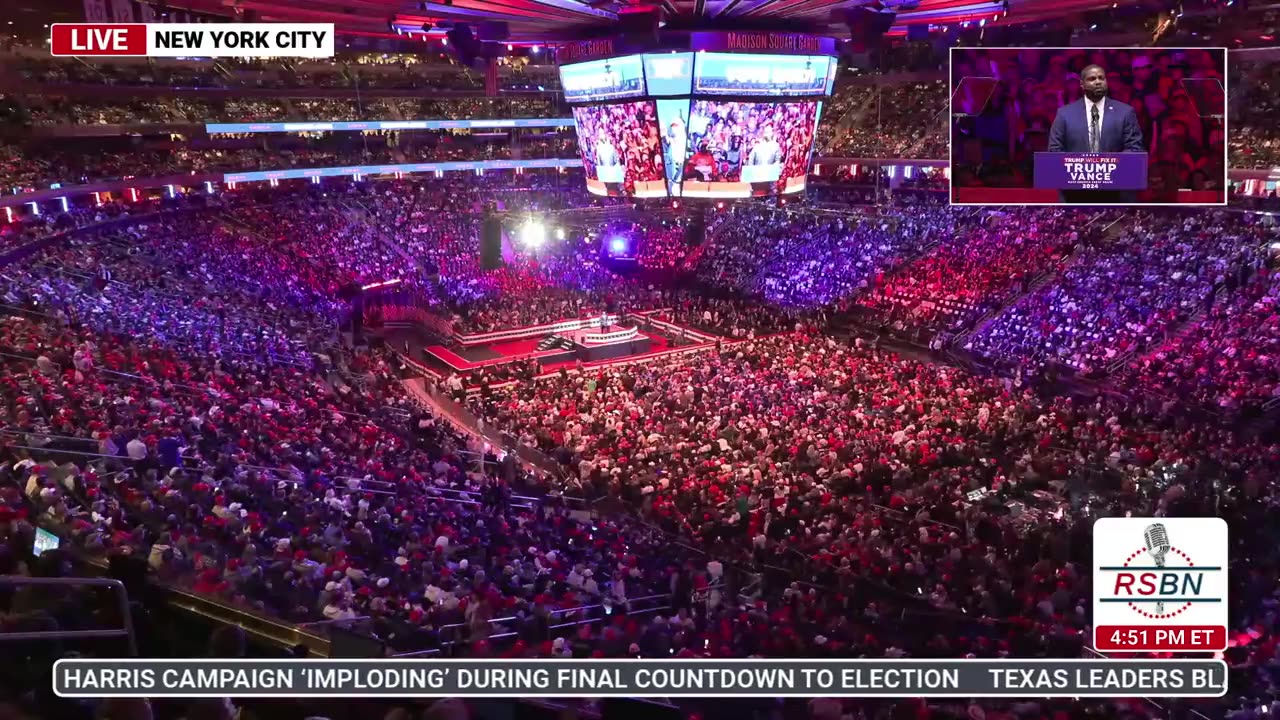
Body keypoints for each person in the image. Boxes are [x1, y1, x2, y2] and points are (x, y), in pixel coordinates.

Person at [1046, 64, 1145, 203]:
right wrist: (1083, 169)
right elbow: (1055, 151)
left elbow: (1134, 149)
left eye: (1101, 78)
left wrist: (1105, 167)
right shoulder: (1065, 114)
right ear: (1082, 84)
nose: (1098, 82)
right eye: (1092, 79)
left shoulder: (1125, 112)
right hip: (1075, 194)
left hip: (1115, 193)